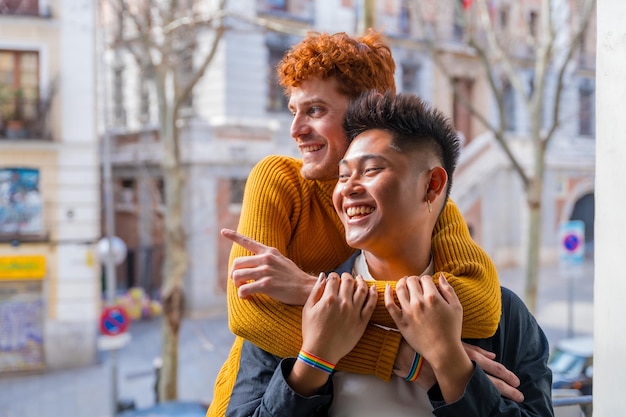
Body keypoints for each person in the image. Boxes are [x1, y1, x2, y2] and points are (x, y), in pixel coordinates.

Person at [207, 31, 509, 417]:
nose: (295, 129)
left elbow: (481, 306)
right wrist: (405, 356)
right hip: (261, 395)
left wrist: (305, 289)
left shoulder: (421, 198)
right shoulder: (278, 180)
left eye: (315, 110)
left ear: (365, 112)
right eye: (293, 110)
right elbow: (251, 315)